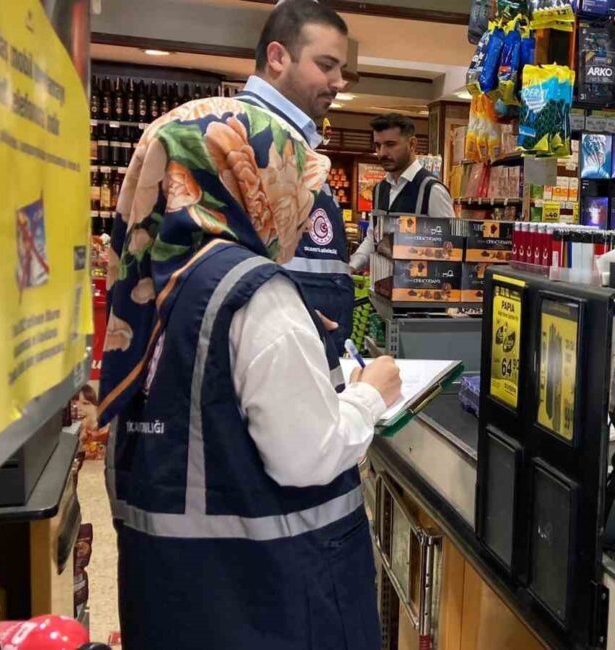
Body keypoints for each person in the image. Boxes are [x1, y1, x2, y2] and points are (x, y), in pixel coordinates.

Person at [96, 10, 400, 650]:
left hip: (173, 597)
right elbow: (307, 454)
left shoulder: (152, 281)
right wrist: (371, 394)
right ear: (242, 180)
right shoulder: (255, 292)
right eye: (282, 172)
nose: (293, 192)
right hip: (272, 602)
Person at [235, 0, 356, 343]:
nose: (339, 82)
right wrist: (284, 318)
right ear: (277, 58)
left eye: (340, 68)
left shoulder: (291, 144)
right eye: (326, 65)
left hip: (297, 360)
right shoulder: (239, 137)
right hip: (267, 366)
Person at [349, 113, 456, 273]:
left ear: (412, 144)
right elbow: (373, 238)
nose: (382, 153)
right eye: (378, 146)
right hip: (381, 289)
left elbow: (450, 246)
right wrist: (351, 266)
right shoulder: (380, 189)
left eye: (390, 144)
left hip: (417, 291)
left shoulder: (431, 190)